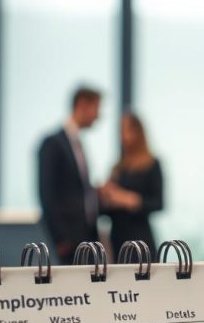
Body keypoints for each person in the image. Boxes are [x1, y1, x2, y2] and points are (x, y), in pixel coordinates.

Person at [38, 85, 101, 264]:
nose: (98, 116)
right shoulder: (52, 143)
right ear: (82, 104)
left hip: (86, 237)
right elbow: (46, 193)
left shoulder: (78, 143)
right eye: (96, 108)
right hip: (68, 241)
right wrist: (59, 237)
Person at [100, 112, 165, 253]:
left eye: (127, 130)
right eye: (121, 131)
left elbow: (159, 203)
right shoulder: (117, 168)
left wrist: (130, 200)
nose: (124, 136)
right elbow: (104, 212)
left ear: (139, 133)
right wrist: (106, 196)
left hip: (140, 238)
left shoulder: (152, 164)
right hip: (117, 239)